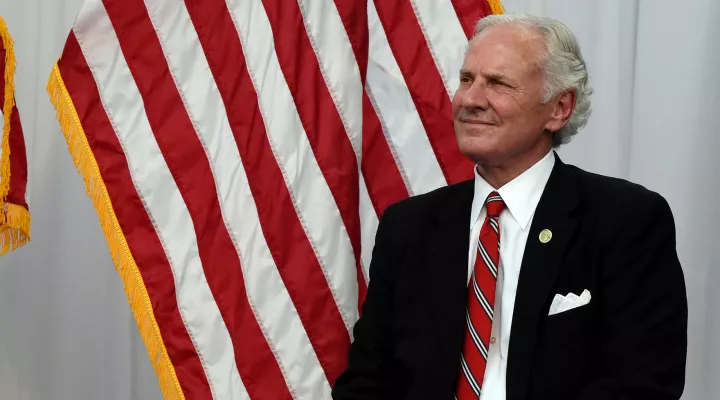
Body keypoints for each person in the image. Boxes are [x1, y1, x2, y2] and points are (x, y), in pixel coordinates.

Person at [331, 13, 687, 400]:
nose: (470, 99)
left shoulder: (625, 220)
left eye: (497, 83)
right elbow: (367, 382)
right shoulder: (408, 227)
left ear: (559, 108)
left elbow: (642, 385)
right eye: (467, 80)